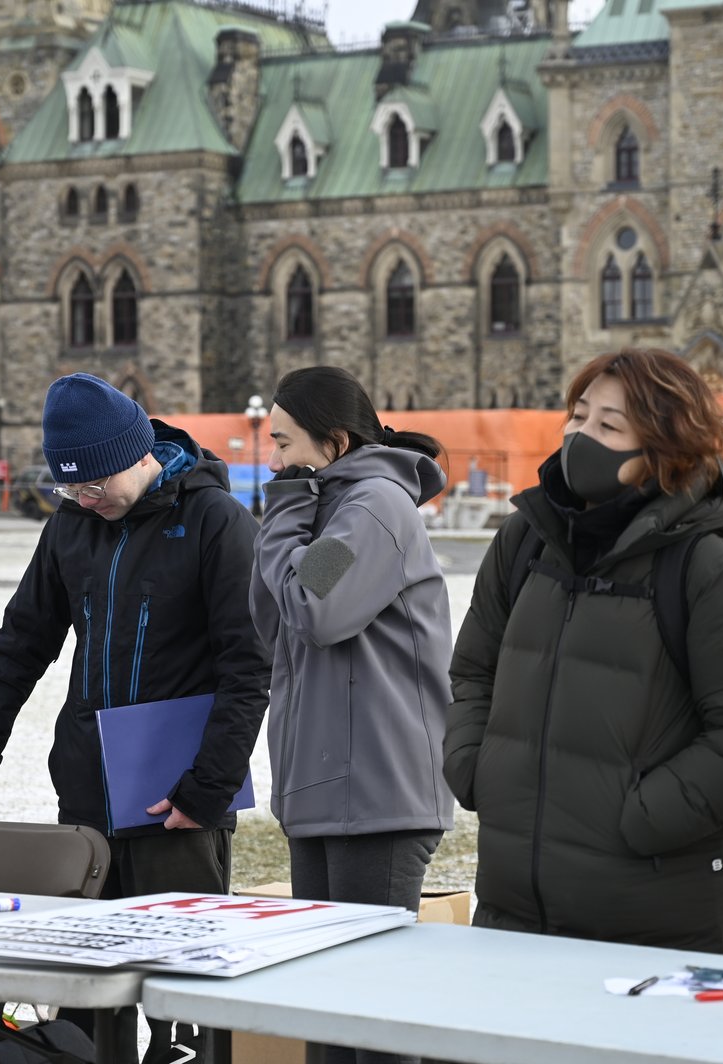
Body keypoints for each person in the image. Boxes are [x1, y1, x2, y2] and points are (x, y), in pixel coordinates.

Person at [0, 372, 268, 1057]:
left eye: (97, 484)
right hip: (88, 796)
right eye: (73, 488)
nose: (89, 501)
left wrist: (207, 790)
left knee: (186, 1003)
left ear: (140, 452)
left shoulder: (217, 522)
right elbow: (20, 644)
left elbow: (249, 668)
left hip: (177, 801)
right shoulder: (72, 526)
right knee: (88, 998)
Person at [445, 348, 723, 953]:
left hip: (652, 926)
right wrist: (477, 767)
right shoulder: (524, 541)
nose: (581, 436)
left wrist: (635, 818)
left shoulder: (711, 570)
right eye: (578, 416)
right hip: (511, 913)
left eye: (609, 426)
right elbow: (475, 670)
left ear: (664, 449)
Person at [249, 366, 453, 1064]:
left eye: (283, 443)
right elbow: (268, 625)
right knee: (330, 1013)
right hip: (323, 792)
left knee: (372, 1020)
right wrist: (291, 514)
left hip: (378, 798)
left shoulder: (372, 509)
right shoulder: (327, 509)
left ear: (332, 443)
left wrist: (280, 512)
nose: (272, 461)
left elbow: (313, 608)